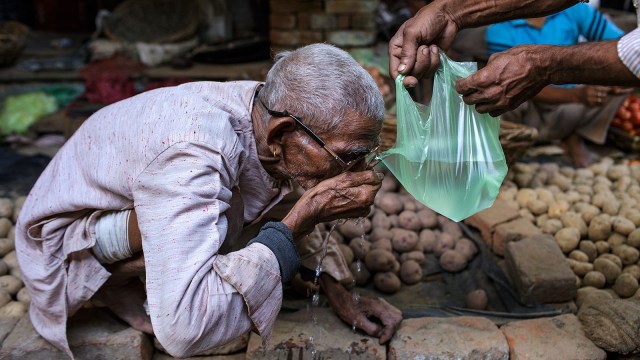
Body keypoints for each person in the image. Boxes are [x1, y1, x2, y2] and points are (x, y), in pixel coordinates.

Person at [15, 43, 402, 359]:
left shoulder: (266, 112)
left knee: (235, 207)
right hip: (64, 245)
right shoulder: (195, 150)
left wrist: (338, 290)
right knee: (227, 212)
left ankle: (164, 271)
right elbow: (183, 334)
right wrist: (297, 224)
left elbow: (279, 199)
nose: (357, 170)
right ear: (282, 132)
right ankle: (121, 285)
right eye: (348, 156)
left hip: (142, 203)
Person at [389, 0, 640, 116]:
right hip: (543, 100)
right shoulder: (502, 28)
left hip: (570, 92)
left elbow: (628, 50)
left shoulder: (576, 13)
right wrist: (449, 12)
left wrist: (543, 66)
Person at [451, 4, 627, 167]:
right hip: (530, 110)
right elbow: (514, 84)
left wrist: (602, 76)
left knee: (624, 74)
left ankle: (575, 138)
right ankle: (512, 145)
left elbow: (623, 47)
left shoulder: (574, 9)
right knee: (503, 93)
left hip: (572, 108)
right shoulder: (500, 28)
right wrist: (579, 95)